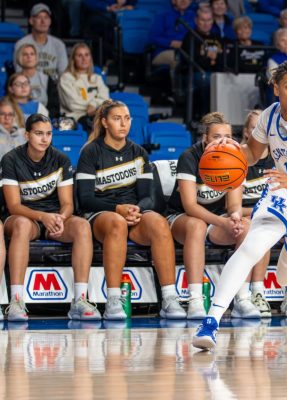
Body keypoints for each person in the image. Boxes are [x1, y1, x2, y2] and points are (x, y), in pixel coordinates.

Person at [193, 61, 287, 350]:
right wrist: (229, 152)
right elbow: (252, 154)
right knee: (250, 247)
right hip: (284, 193)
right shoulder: (269, 116)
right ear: (276, 89)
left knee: (286, 277)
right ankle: (210, 322)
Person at [76, 100, 186, 320]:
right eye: (117, 119)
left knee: (158, 222)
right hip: (101, 214)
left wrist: (137, 209)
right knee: (116, 223)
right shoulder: (90, 152)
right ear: (105, 122)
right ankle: (114, 301)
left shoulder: (139, 152)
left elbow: (147, 197)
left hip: (132, 213)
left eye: (126, 118)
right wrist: (117, 209)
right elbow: (85, 199)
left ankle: (169, 298)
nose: (123, 124)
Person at [2, 113, 100, 322]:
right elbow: (14, 206)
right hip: (24, 216)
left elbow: (67, 204)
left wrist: (59, 218)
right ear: (27, 135)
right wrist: (42, 216)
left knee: (82, 226)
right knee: (20, 225)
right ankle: (16, 301)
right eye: (39, 133)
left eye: (48, 134)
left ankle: (80, 299)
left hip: (53, 218)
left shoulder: (60, 159)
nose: (44, 139)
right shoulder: (10, 159)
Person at [167, 111, 260, 319]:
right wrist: (222, 222)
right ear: (205, 138)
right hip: (181, 218)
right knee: (196, 225)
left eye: (228, 137)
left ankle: (242, 298)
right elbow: (190, 206)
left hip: (215, 219)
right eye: (217, 137)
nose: (223, 142)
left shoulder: (235, 157)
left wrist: (234, 217)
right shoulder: (189, 157)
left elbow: (234, 204)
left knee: (246, 227)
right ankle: (195, 300)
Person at [239, 110, 274, 318]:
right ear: (246, 132)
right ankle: (255, 291)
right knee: (261, 226)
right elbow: (231, 207)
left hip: (272, 214)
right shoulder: (239, 159)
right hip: (245, 216)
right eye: (255, 128)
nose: (261, 133)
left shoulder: (279, 160)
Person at [58, 43, 110, 133]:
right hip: (75, 119)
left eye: (87, 55)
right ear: (73, 59)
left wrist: (94, 105)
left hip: (97, 115)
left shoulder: (97, 78)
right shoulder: (66, 78)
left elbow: (105, 98)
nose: (84, 59)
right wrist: (93, 107)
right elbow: (72, 104)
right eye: (79, 55)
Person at [14, 3, 68, 81]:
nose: (43, 21)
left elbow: (64, 74)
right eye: (39, 17)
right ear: (31, 21)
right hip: (29, 88)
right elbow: (19, 74)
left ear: (50, 21)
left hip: (53, 89)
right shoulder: (21, 44)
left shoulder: (59, 45)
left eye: (46, 18)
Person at [149, 0, 196, 81]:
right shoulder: (163, 15)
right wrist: (170, 43)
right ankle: (177, 91)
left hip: (188, 51)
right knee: (177, 59)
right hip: (165, 51)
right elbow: (152, 38)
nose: (184, 1)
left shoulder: (194, 16)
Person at [14, 43, 57, 114]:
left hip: (43, 116)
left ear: (36, 57)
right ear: (19, 57)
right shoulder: (14, 79)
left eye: (32, 54)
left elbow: (53, 106)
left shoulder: (46, 78)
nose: (29, 57)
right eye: (25, 54)